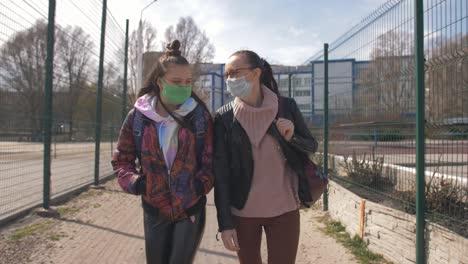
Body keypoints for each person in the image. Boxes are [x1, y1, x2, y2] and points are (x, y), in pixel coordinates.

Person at [112, 40, 214, 264]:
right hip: (154, 209)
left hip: (190, 209)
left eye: (188, 82)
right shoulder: (138, 117)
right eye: (176, 81)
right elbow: (122, 160)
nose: (183, 87)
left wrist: (199, 186)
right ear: (159, 82)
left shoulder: (199, 117)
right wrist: (137, 183)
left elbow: (211, 161)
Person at [213, 50, 318, 264]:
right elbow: (221, 174)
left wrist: (292, 137)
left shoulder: (286, 107)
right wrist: (225, 224)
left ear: (255, 73)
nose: (229, 80)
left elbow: (311, 145)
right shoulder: (223, 118)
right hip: (242, 213)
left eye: (234, 72)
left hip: (284, 210)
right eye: (226, 75)